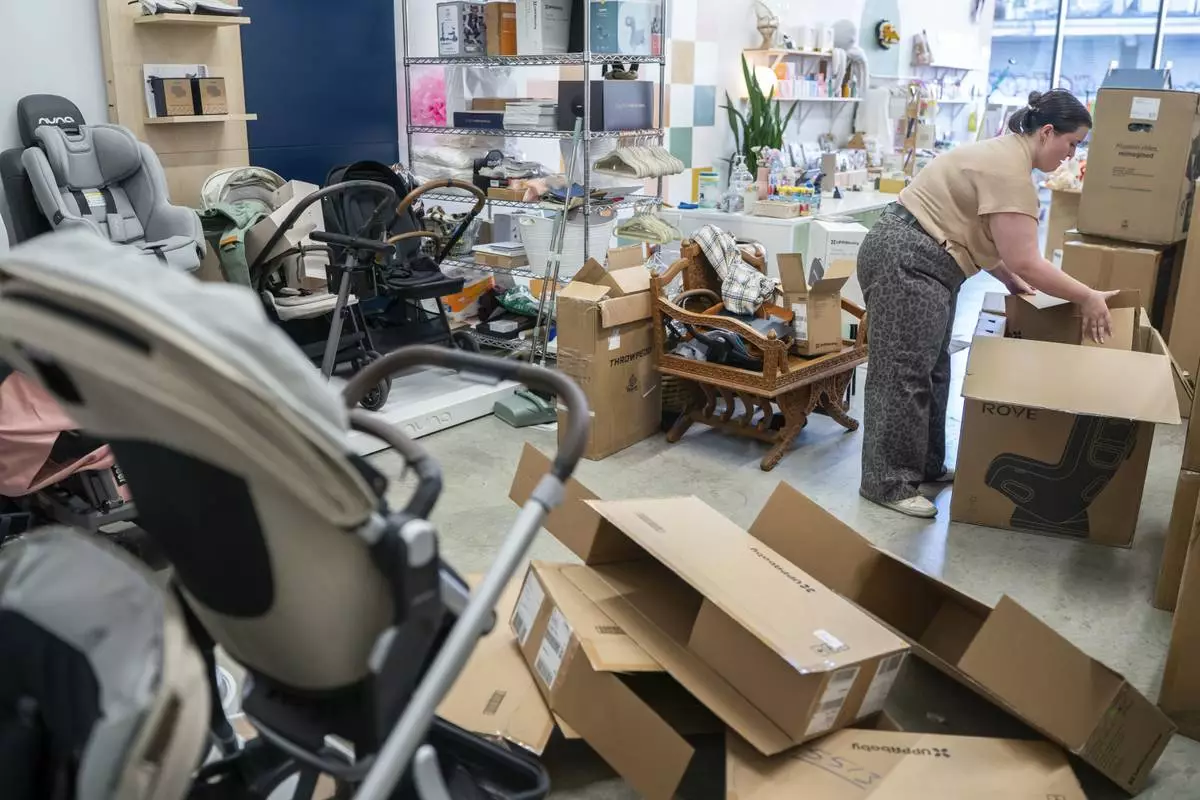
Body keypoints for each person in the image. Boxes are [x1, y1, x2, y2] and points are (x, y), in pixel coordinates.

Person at [857, 89, 1116, 519]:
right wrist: (1086, 295)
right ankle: (886, 483)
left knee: (933, 368)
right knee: (903, 374)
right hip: (908, 259)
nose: (1071, 155)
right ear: (1046, 132)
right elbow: (1027, 261)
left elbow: (984, 233)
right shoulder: (1009, 171)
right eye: (1071, 143)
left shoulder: (1005, 155)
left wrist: (1009, 278)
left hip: (925, 259)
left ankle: (925, 465)